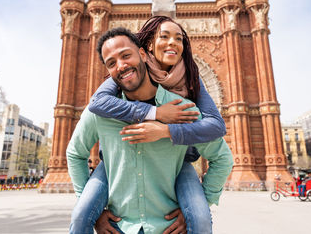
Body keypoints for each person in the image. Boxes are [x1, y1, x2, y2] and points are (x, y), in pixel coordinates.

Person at [67, 27, 233, 234]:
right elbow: (75, 153)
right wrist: (95, 213)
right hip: (120, 227)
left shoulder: (181, 108)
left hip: (167, 226)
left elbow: (222, 157)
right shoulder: (100, 110)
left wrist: (197, 208)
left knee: (200, 219)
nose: (121, 65)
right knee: (80, 215)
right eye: (111, 63)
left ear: (144, 54)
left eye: (126, 55)